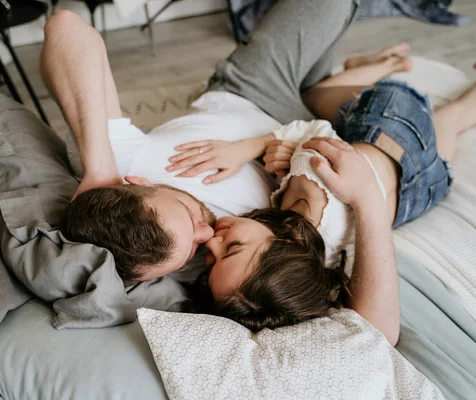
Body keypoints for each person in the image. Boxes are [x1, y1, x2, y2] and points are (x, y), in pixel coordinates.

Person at [41, 1, 401, 342]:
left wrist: (99, 166)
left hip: (249, 92)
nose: (208, 233)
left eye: (188, 214)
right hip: (297, 144)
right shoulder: (224, 274)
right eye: (194, 251)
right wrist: (366, 197)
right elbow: (379, 332)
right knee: (332, 92)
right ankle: (339, 80)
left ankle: (336, 78)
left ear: (139, 184)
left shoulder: (115, 164)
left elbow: (66, 26)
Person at [176, 52, 476, 345]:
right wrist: (277, 148)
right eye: (231, 248)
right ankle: (386, 65)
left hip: (424, 192)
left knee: (451, 122)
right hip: (396, 135)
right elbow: (313, 130)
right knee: (317, 94)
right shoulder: (313, 180)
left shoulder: (332, 263)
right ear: (288, 244)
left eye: (213, 260)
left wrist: (283, 154)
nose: (212, 242)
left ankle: (383, 63)